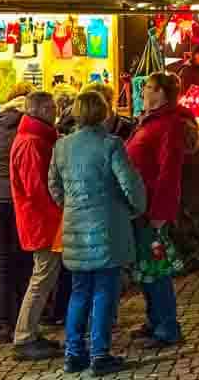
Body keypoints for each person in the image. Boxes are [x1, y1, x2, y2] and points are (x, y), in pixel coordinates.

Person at [49, 89, 147, 376]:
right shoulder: (111, 144)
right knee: (105, 290)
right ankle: (100, 353)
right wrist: (136, 208)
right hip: (107, 227)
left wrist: (69, 206)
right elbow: (129, 183)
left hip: (75, 228)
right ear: (103, 113)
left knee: (79, 291)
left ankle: (73, 353)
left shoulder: (62, 146)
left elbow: (53, 185)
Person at [125, 71, 197, 348]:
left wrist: (160, 211)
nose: (143, 92)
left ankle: (167, 326)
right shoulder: (149, 121)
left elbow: (169, 171)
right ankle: (155, 319)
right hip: (140, 205)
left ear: (161, 93)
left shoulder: (169, 125)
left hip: (152, 208)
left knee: (156, 266)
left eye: (148, 88)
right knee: (146, 266)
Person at [8, 91, 63, 361]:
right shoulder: (32, 142)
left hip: (42, 219)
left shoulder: (36, 138)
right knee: (42, 278)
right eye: (52, 106)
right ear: (40, 110)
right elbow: (37, 189)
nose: (56, 110)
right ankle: (24, 336)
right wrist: (59, 212)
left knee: (44, 277)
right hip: (42, 221)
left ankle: (29, 332)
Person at [0, 81, 34, 342]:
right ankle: (24, 320)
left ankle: (2, 322)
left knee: (0, 259)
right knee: (24, 258)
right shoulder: (28, 125)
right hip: (18, 198)